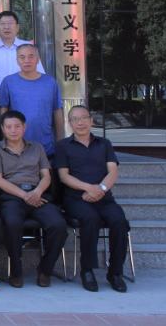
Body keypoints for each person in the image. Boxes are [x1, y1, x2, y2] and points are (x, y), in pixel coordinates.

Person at [55, 105, 130, 293]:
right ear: (70, 123)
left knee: (119, 222)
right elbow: (64, 176)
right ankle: (87, 270)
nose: (80, 122)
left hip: (104, 197)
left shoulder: (104, 144)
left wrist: (101, 189)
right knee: (90, 219)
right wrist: (89, 188)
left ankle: (115, 273)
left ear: (91, 120)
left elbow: (113, 171)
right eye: (75, 119)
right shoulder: (63, 146)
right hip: (76, 198)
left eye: (83, 118)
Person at [0, 110, 68, 288]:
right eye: (9, 127)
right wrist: (24, 195)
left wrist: (37, 192)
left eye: (17, 126)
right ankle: (16, 270)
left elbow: (46, 176)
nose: (13, 130)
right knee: (11, 223)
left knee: (58, 225)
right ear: (2, 129)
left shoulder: (37, 147)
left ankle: (45, 269)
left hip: (37, 194)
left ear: (24, 127)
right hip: (11, 196)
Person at [0, 44, 64, 157]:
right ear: (17, 60)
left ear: (37, 59)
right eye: (22, 57)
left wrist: (60, 140)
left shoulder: (50, 82)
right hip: (17, 146)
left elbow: (57, 111)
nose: (27, 60)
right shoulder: (8, 82)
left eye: (31, 56)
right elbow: (3, 110)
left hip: (46, 145)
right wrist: (4, 136)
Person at [0, 11, 44, 95]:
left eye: (10, 23)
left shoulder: (28, 47)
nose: (6, 27)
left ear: (17, 27)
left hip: (25, 93)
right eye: (2, 24)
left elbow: (39, 72)